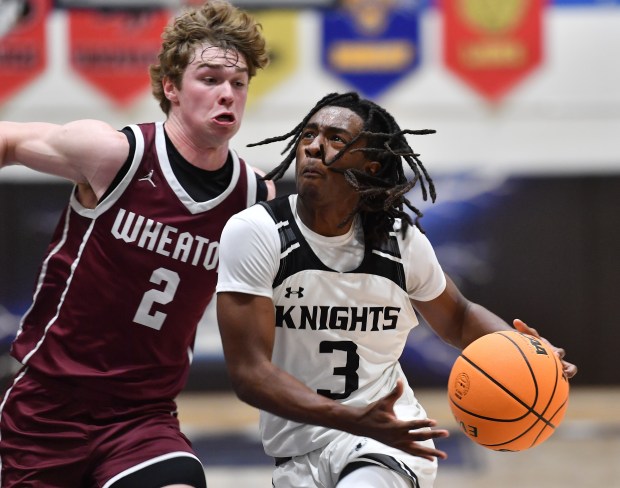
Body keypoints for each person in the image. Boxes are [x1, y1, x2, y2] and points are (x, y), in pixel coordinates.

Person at [215, 91, 578, 488]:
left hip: (385, 441)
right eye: (309, 134)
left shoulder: (399, 242)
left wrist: (527, 352)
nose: (315, 146)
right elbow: (250, 374)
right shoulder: (256, 232)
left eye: (336, 139)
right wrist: (347, 417)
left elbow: (457, 318)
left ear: (370, 166)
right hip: (297, 457)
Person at [0, 1, 273, 486]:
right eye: (209, 79)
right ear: (171, 87)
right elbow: (9, 139)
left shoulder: (254, 196)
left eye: (238, 82)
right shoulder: (113, 156)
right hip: (48, 407)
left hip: (142, 419)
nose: (227, 94)